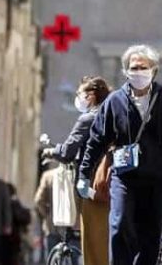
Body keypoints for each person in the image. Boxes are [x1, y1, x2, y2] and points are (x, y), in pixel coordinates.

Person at [76, 45, 162, 265]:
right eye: (133, 67)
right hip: (124, 177)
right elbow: (97, 140)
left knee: (150, 233)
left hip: (157, 178)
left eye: (143, 67)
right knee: (120, 224)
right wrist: (84, 174)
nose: (138, 72)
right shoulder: (115, 101)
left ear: (154, 70)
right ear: (126, 71)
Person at [43, 75, 113, 265]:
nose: (77, 98)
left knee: (93, 242)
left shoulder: (88, 118)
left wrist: (51, 151)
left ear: (91, 96)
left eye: (79, 93)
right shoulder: (115, 114)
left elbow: (67, 152)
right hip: (118, 185)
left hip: (93, 187)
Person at [33, 159, 61, 262]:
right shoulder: (75, 176)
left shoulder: (48, 176)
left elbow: (38, 200)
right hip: (71, 227)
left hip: (52, 225)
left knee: (51, 258)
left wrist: (47, 214)